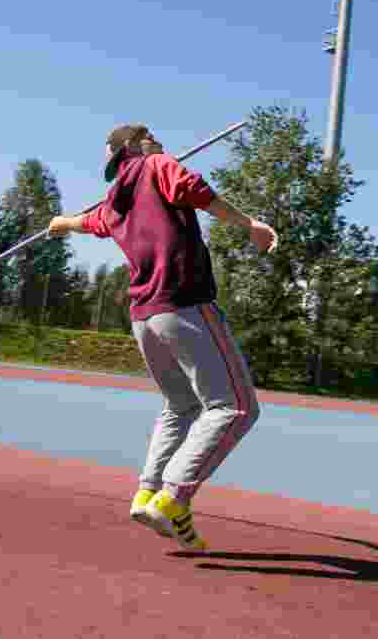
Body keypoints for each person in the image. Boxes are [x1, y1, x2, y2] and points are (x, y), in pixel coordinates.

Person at [47, 124, 277, 551]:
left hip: (143, 318)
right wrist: (250, 225)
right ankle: (172, 497)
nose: (158, 138)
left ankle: (147, 492)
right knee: (236, 407)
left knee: (181, 406)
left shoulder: (116, 198)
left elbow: (91, 222)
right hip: (183, 304)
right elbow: (195, 190)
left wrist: (63, 223)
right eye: (149, 134)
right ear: (135, 146)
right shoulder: (156, 165)